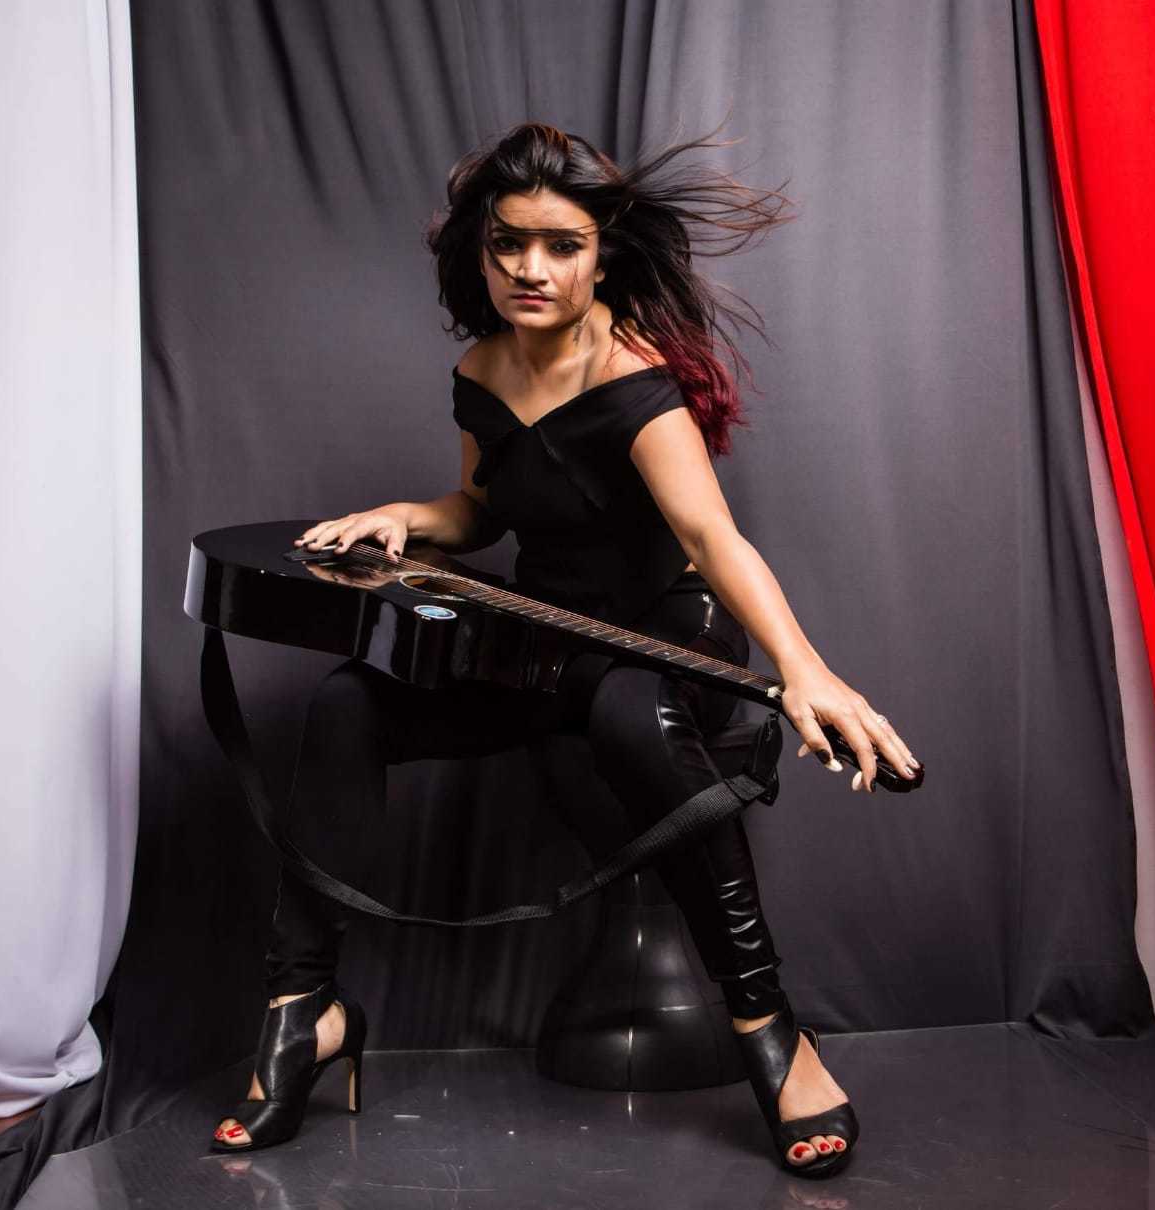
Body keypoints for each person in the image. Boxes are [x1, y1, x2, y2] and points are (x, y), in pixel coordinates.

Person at [209, 121, 920, 1179]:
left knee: (631, 709)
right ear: (481, 250)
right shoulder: (481, 370)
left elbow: (711, 540)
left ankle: (768, 1025)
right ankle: (303, 1006)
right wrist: (408, 515)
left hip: (661, 638)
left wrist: (804, 670)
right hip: (544, 638)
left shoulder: (636, 383)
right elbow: (481, 510)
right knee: (346, 702)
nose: (529, 269)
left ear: (601, 255)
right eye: (508, 244)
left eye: (560, 246)